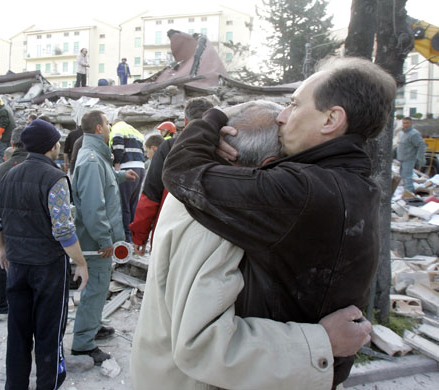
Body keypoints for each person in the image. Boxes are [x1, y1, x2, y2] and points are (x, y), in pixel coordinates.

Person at [157, 56, 396, 388]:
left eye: (295, 105)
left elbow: (181, 172)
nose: (283, 117)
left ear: (331, 119)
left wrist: (213, 117)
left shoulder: (302, 192)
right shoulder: (357, 185)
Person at [0, 119, 88, 390]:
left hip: (17, 265)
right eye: (56, 142)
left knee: (17, 332)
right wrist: (80, 262)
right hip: (48, 268)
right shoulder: (54, 177)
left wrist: (2, 248)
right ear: (52, 146)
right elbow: (64, 230)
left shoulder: (8, 175)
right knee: (49, 331)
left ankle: (15, 385)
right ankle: (48, 383)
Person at [71, 110, 138, 364]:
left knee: (99, 288)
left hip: (98, 240)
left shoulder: (97, 156)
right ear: (99, 128)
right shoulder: (91, 159)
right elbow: (92, 206)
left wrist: (121, 175)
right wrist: (103, 239)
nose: (110, 127)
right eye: (108, 124)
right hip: (95, 242)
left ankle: (93, 326)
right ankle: (83, 345)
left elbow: (102, 183)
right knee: (95, 288)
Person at [130, 97, 214, 255]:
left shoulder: (168, 148)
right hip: (211, 238)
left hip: (169, 233)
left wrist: (140, 237)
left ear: (185, 121)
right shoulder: (226, 149)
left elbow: (151, 195)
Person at [0, 128, 28, 323]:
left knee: (0, 264)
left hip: (5, 229)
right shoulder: (40, 167)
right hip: (31, 230)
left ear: (11, 144)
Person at [109, 120, 145, 242]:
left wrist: (117, 163)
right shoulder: (135, 131)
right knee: (133, 204)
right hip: (140, 168)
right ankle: (134, 237)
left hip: (126, 168)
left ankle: (126, 238)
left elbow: (118, 146)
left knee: (123, 205)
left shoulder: (117, 129)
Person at [397, 116, 426, 193]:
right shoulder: (401, 133)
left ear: (411, 123)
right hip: (401, 159)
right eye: (404, 123)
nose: (405, 124)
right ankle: (406, 193)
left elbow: (421, 145)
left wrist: (420, 158)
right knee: (403, 177)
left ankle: (409, 195)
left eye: (407, 123)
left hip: (409, 159)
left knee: (407, 177)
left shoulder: (414, 134)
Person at [0, 96, 16, 163]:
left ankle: (4, 163)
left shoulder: (3, 110)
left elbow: (4, 123)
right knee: (10, 148)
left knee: (2, 150)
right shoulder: (4, 108)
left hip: (6, 134)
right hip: (9, 133)